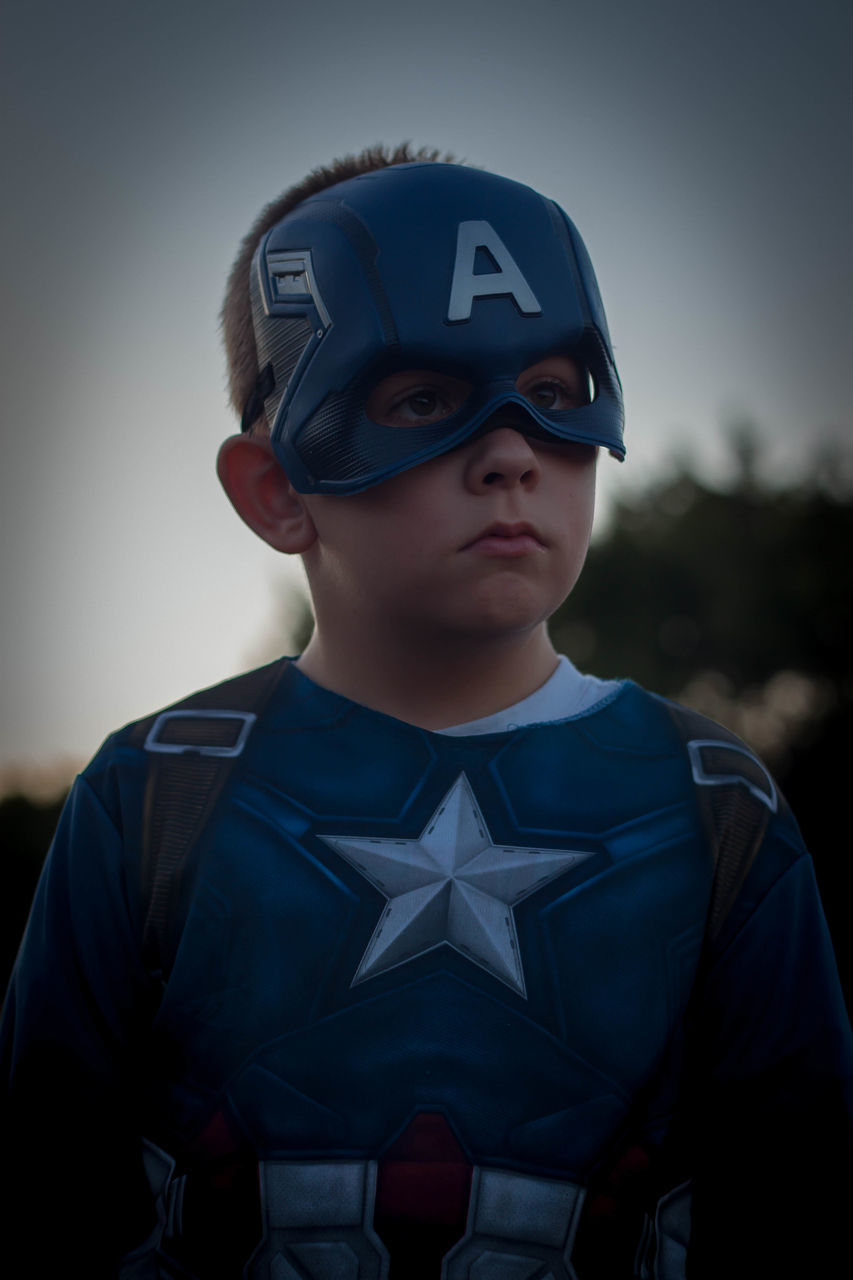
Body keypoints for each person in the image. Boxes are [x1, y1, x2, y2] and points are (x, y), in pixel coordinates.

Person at [2, 142, 851, 1280]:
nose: (509, 452)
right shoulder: (156, 792)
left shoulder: (716, 804)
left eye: (552, 395)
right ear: (277, 489)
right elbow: (39, 1202)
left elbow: (800, 1220)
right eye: (423, 399)